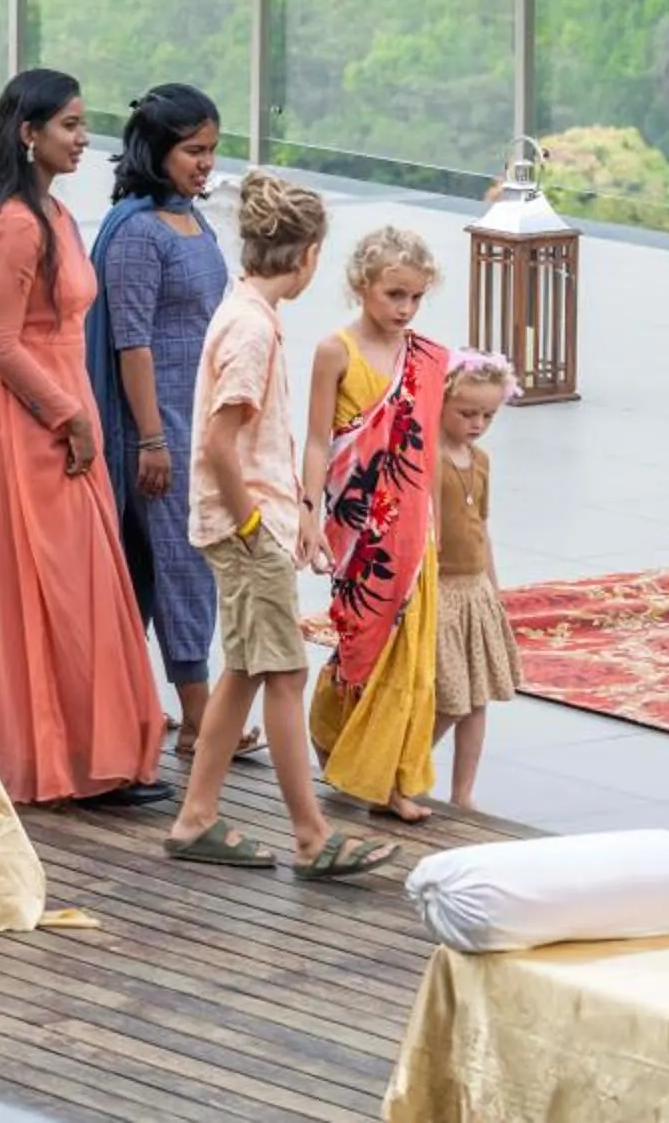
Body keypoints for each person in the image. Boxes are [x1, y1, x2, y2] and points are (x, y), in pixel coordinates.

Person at [0, 69, 166, 808]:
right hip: (25, 417)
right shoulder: (20, 224)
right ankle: (62, 753)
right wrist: (69, 414)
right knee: (52, 583)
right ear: (29, 134)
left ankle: (91, 749)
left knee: (74, 582)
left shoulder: (52, 215)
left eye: (83, 124)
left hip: (56, 406)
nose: (84, 138)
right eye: (69, 125)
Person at [162, 171, 395, 880]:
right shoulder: (253, 329)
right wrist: (256, 520)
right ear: (308, 255)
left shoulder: (246, 313)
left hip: (247, 519)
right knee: (286, 675)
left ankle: (196, 815)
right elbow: (217, 443)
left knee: (244, 670)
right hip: (243, 528)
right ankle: (310, 835)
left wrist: (290, 509)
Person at [85, 84, 232, 754]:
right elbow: (131, 341)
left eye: (211, 150)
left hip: (195, 415)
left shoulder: (190, 218)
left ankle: (138, 703)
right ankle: (199, 714)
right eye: (193, 151)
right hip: (156, 423)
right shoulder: (138, 231)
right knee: (181, 561)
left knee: (162, 564)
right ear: (158, 150)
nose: (205, 163)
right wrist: (149, 437)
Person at [303, 225, 449, 823]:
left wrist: (438, 520)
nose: (405, 309)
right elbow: (318, 440)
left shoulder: (425, 358)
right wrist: (308, 514)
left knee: (410, 654)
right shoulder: (334, 350)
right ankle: (333, 736)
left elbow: (428, 447)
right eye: (394, 294)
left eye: (415, 297)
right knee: (361, 640)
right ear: (362, 286)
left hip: (414, 529)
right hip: (358, 528)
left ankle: (391, 779)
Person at [432, 356, 524, 814]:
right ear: (441, 403)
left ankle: (462, 792)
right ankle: (402, 768)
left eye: (488, 415)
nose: (478, 424)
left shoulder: (481, 460)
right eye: (467, 413)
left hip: (474, 590)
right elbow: (426, 531)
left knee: (477, 696)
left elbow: (481, 525)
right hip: (441, 588)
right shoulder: (430, 460)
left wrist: (493, 586)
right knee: (450, 695)